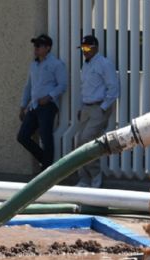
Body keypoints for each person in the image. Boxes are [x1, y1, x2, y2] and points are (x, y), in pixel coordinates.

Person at [73, 35, 119, 188]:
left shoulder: (104, 64)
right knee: (79, 142)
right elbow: (84, 88)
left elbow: (113, 88)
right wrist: (81, 107)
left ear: (95, 48)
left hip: (98, 108)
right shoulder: (85, 65)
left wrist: (103, 108)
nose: (84, 51)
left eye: (87, 48)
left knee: (87, 140)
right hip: (86, 108)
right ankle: (84, 179)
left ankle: (96, 175)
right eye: (82, 48)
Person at [17, 34, 67, 172]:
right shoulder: (34, 65)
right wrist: (23, 105)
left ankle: (46, 170)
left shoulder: (56, 64)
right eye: (35, 45)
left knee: (46, 137)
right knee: (22, 136)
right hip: (33, 106)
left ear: (48, 48)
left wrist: (49, 97)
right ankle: (46, 162)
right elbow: (28, 86)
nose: (36, 48)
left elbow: (62, 85)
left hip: (47, 106)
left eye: (39, 46)